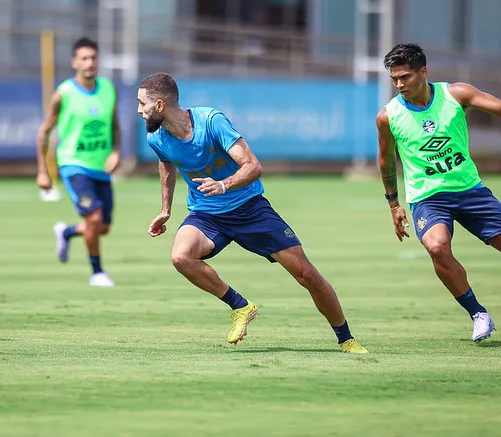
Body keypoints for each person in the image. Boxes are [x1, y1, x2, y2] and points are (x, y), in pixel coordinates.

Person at [137, 72, 367, 352]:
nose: (139, 111)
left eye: (142, 104)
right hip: (207, 214)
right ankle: (240, 306)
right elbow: (167, 163)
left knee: (306, 274)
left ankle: (346, 338)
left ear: (159, 105)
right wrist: (165, 209)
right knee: (181, 256)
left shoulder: (211, 122)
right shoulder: (156, 137)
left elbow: (254, 166)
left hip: (249, 209)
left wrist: (224, 185)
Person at [376, 42, 501, 342]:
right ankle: (478, 313)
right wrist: (393, 203)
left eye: (405, 76)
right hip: (428, 199)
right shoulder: (388, 116)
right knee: (436, 246)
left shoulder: (456, 94)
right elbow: (385, 159)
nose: (399, 84)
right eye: (394, 79)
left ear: (423, 71)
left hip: (471, 191)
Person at [36, 37, 121, 287]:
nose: (89, 62)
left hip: (101, 167)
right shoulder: (64, 93)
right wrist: (43, 171)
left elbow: (116, 126)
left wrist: (116, 151)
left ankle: (66, 232)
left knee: (102, 227)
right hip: (73, 165)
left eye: (93, 58)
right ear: (75, 62)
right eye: (84, 58)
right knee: (94, 218)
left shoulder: (108, 89)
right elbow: (44, 132)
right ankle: (97, 272)